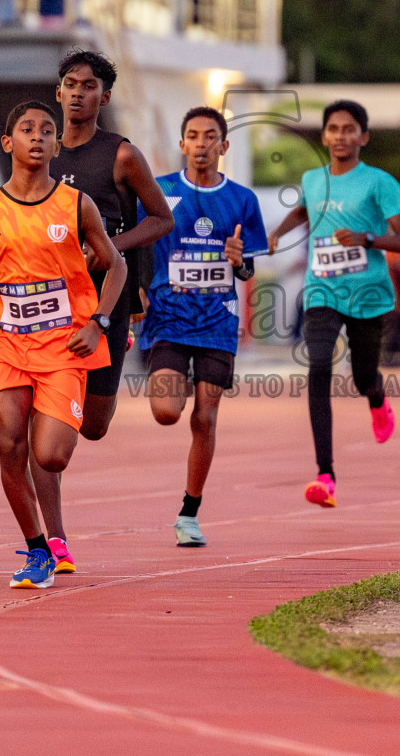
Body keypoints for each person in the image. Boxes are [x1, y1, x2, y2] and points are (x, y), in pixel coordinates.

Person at [0, 101, 125, 588]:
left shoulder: (75, 205)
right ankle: (37, 549)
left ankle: (50, 534)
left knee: (49, 455)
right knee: (8, 439)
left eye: (47, 131)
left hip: (63, 346)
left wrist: (99, 321)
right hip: (5, 342)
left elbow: (117, 266)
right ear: (8, 143)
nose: (37, 136)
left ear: (56, 145)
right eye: (26, 129)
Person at [35, 49, 173, 571]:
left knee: (93, 426)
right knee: (41, 424)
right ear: (58, 91)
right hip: (45, 307)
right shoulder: (38, 151)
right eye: (70, 83)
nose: (77, 93)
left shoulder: (121, 156)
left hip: (104, 302)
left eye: (88, 86)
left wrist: (113, 249)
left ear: (104, 96)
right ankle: (54, 540)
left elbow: (160, 220)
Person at [267, 100, 400, 507]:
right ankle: (325, 475)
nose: (340, 135)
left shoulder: (379, 183)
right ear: (324, 136)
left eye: (349, 129)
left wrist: (367, 239)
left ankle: (377, 399)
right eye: (333, 128)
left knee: (362, 377)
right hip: (321, 290)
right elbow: (303, 210)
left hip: (368, 293)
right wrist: (277, 232)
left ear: (363, 137)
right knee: (317, 366)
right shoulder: (314, 179)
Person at [139, 107, 267, 546]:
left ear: (223, 146)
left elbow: (248, 270)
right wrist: (137, 289)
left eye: (209, 136)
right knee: (165, 412)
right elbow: (138, 244)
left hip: (217, 323)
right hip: (170, 320)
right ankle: (187, 508)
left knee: (206, 418)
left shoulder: (243, 200)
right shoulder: (160, 191)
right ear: (182, 144)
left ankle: (189, 513)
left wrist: (239, 261)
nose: (201, 143)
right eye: (192, 135)